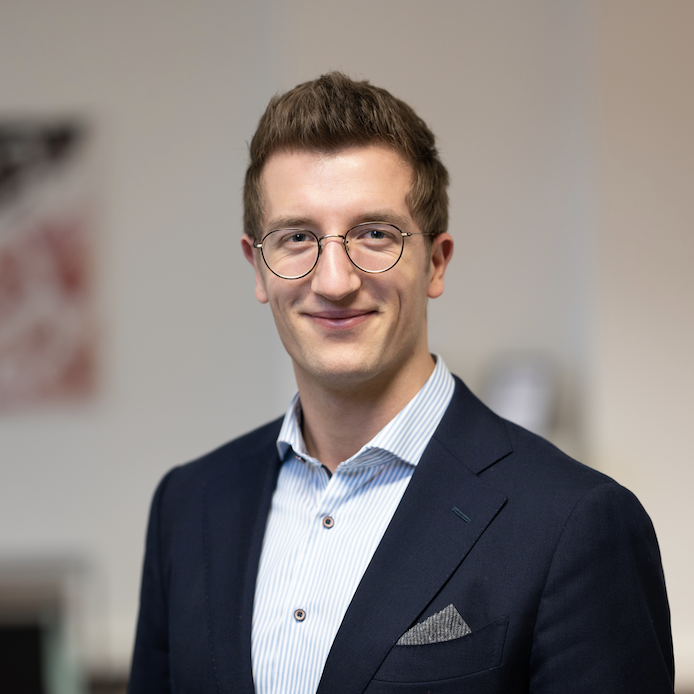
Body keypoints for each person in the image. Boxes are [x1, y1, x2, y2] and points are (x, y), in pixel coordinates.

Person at [128, 72, 674, 694]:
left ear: (436, 262)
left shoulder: (574, 522)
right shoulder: (188, 505)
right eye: (298, 237)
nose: (334, 280)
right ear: (259, 267)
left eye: (374, 234)